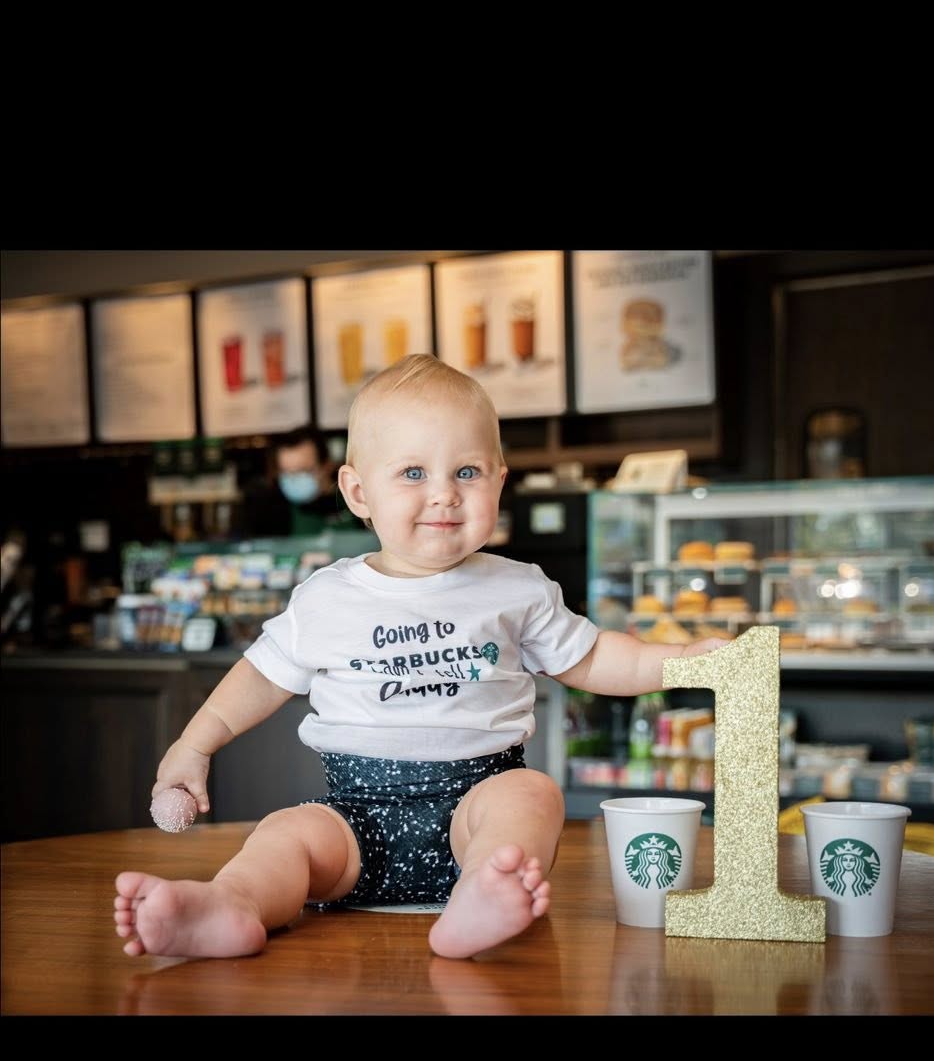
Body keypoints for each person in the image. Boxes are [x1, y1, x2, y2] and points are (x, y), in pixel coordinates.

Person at [114, 356, 726, 962]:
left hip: (477, 808)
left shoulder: (519, 587)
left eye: (467, 471)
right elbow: (258, 677)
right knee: (284, 834)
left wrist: (681, 662)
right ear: (359, 492)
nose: (444, 495)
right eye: (412, 472)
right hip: (353, 816)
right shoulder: (328, 597)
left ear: (500, 482)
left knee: (534, 795)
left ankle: (481, 898)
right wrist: (193, 747)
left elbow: (592, 659)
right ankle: (230, 905)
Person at [238, 425, 339, 537]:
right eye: (287, 472)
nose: (294, 479)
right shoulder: (268, 512)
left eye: (303, 471)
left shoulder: (351, 502)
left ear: (327, 466)